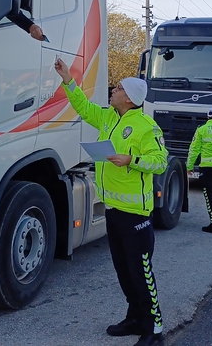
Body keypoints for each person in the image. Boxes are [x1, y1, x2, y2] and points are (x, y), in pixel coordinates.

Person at [54, 58, 167, 346]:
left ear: (129, 98)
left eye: (117, 88)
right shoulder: (110, 118)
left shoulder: (145, 127)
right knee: (123, 269)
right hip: (114, 209)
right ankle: (134, 318)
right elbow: (83, 107)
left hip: (136, 215)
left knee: (141, 272)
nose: (112, 91)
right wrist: (68, 79)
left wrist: (133, 160)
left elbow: (160, 163)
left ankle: (153, 328)